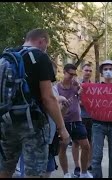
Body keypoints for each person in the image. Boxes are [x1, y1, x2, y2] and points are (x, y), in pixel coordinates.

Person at [0, 28, 70, 178]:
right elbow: (48, 98)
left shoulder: (8, 56)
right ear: (42, 40)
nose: (46, 48)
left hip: (7, 121)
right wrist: (62, 128)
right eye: (47, 45)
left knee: (5, 168)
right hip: (33, 124)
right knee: (35, 172)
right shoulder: (40, 57)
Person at [56, 64, 92, 178]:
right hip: (63, 121)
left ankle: (84, 172)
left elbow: (85, 97)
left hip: (77, 121)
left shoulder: (75, 86)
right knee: (63, 148)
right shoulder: (56, 88)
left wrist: (80, 88)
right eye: (70, 74)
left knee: (86, 146)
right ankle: (66, 173)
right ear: (64, 72)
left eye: (74, 74)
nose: (72, 76)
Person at [91, 60, 112, 178]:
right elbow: (87, 102)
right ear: (102, 72)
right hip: (98, 125)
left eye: (110, 69)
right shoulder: (95, 88)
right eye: (105, 69)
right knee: (96, 157)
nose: (108, 71)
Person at [72, 63, 94, 177]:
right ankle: (77, 166)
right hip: (78, 117)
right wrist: (81, 102)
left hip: (90, 117)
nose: (88, 72)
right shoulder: (76, 84)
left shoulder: (94, 86)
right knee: (76, 142)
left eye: (90, 71)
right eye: (86, 70)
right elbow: (72, 99)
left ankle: (88, 164)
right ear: (82, 71)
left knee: (89, 142)